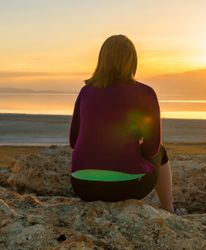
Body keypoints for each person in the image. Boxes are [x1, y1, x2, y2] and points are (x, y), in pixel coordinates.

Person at [69, 34, 184, 215]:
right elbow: (152, 149)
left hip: (82, 186)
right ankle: (169, 209)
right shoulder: (145, 93)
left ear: (102, 60)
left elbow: (74, 141)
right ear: (132, 61)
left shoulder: (86, 91)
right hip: (125, 187)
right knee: (162, 152)